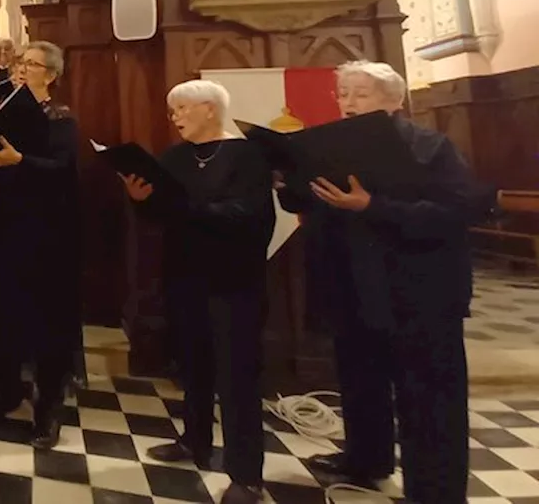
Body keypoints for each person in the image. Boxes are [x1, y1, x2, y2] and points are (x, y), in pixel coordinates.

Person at [278, 61, 479, 504]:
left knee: (428, 395)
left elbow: (458, 212)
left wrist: (373, 206)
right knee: (360, 379)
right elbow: (305, 200)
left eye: (360, 94)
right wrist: (286, 178)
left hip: (419, 291)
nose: (348, 103)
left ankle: (437, 492)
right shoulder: (330, 147)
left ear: (395, 100)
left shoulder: (429, 147)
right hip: (353, 286)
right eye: (344, 94)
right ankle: (367, 459)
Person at [121, 79, 274, 504]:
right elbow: (162, 212)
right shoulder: (174, 157)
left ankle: (246, 476)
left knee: (237, 378)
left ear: (210, 109)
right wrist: (141, 199)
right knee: (193, 366)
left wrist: (186, 208)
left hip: (234, 281)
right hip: (184, 274)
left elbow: (251, 216)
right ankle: (195, 441)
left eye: (183, 109)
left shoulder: (247, 155)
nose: (176, 118)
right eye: (173, 111)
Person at [0, 41, 80, 450]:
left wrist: (19, 162)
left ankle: (47, 410)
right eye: (20, 62)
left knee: (45, 319)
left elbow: (62, 171)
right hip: (6, 225)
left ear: (50, 75)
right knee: (3, 309)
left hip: (45, 232)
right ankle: (6, 392)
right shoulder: (5, 113)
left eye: (31, 65)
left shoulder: (60, 119)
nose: (21, 69)